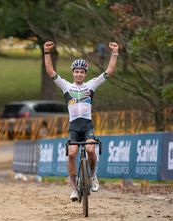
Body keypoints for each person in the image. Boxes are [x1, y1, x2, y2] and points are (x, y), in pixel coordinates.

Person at [43, 40, 118, 201]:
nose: (79, 74)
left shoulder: (91, 86)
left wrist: (115, 52)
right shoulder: (66, 87)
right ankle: (74, 189)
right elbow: (50, 71)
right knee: (72, 153)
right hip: (74, 127)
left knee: (91, 150)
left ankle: (92, 176)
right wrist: (47, 52)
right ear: (73, 73)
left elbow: (109, 71)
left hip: (87, 125)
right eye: (76, 72)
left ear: (85, 74)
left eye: (81, 72)